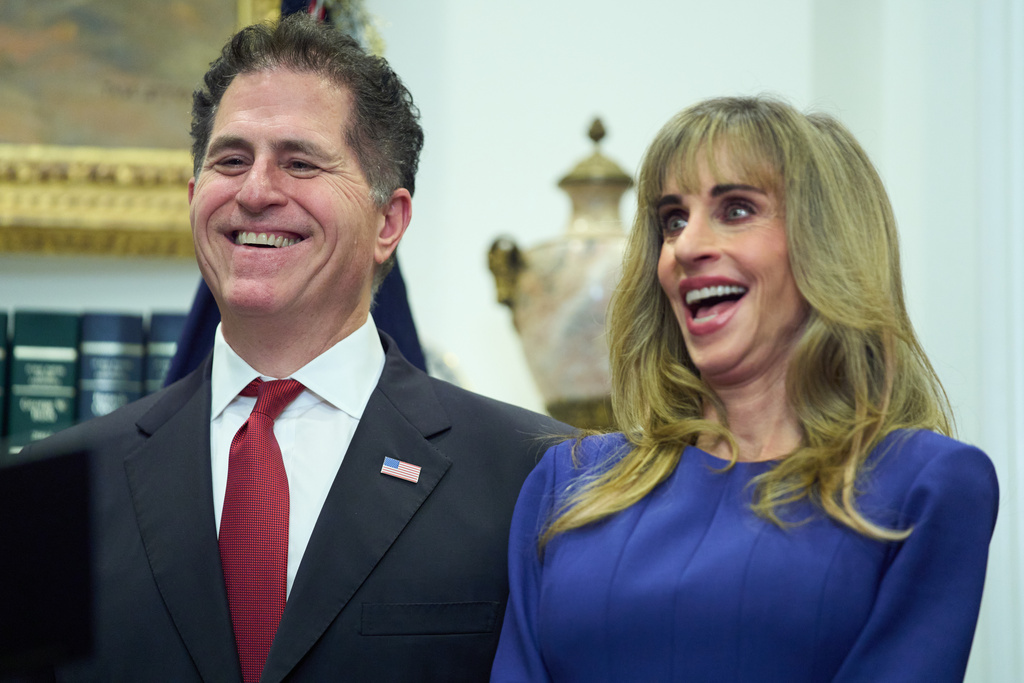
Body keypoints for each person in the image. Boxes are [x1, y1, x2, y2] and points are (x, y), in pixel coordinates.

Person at [20, 13, 563, 682]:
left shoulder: (533, 476)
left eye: (300, 162)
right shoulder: (52, 491)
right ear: (194, 198)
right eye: (231, 160)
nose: (254, 192)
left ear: (388, 221)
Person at [491, 96, 999, 682]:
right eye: (673, 219)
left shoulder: (926, 485)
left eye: (736, 209)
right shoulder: (568, 484)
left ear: (827, 244)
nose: (685, 246)